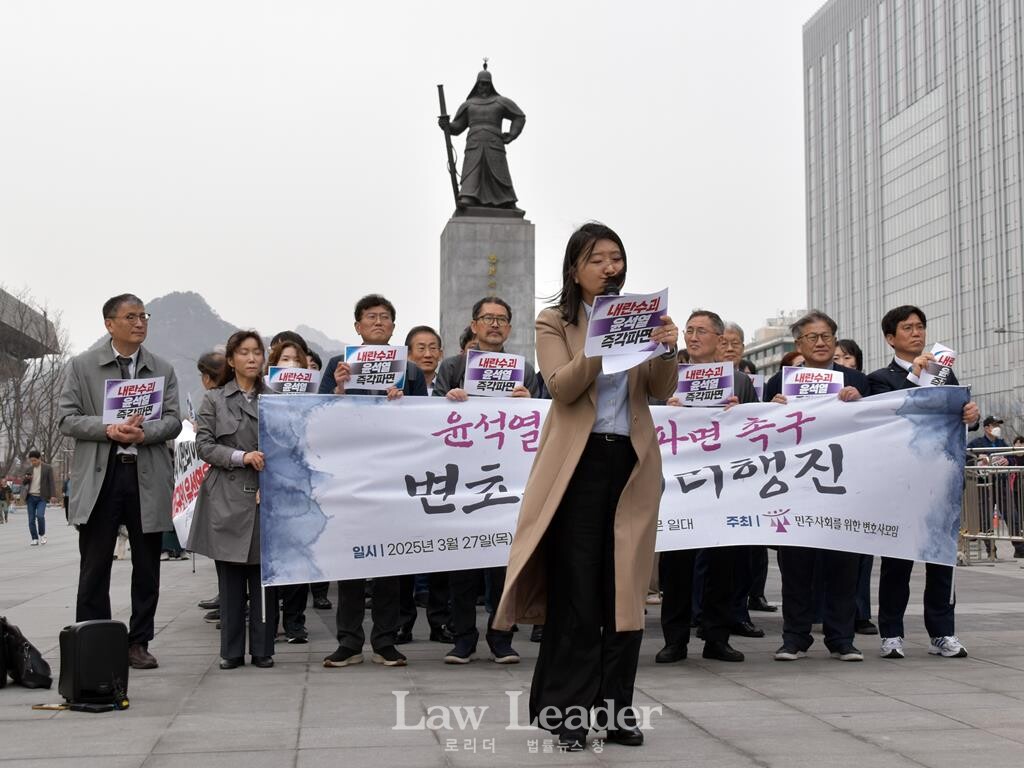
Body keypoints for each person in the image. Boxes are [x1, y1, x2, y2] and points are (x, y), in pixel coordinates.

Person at [494, 222, 678, 750]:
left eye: (616, 258)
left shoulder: (644, 318)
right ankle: (566, 712)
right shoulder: (555, 321)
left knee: (625, 593)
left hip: (632, 466)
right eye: (597, 258)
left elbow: (660, 390)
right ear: (575, 268)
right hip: (576, 469)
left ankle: (616, 709)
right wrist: (604, 340)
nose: (609, 267)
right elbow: (562, 387)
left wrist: (665, 349)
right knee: (577, 593)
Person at [58, 293, 182, 670]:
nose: (139, 323)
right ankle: (95, 637)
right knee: (95, 564)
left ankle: (138, 642)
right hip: (102, 474)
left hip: (144, 472)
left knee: (148, 565)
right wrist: (107, 428)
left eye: (143, 316)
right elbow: (66, 419)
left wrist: (145, 434)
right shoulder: (83, 366)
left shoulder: (162, 368)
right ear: (109, 324)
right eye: (130, 317)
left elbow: (174, 420)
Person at [319, 294, 427, 670]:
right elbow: (318, 417)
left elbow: (423, 423)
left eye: (385, 317)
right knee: (348, 562)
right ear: (357, 327)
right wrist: (338, 390)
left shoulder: (410, 371)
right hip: (349, 477)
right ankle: (348, 642)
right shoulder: (338, 365)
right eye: (371, 317)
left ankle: (386, 640)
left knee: (389, 562)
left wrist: (403, 404)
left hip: (392, 477)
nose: (378, 322)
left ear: (394, 328)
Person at [867, 304, 979, 659]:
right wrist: (914, 378)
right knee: (898, 561)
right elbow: (890, 415)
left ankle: (942, 632)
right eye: (907, 328)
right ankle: (892, 632)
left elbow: (957, 415)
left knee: (941, 561)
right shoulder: (880, 378)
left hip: (940, 479)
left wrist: (970, 415)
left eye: (920, 326)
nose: (917, 333)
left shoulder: (946, 373)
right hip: (901, 482)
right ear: (890, 338)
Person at [433, 296, 540, 665]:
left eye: (502, 320)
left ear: (509, 328)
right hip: (461, 479)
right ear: (474, 324)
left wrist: (529, 401)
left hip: (506, 480)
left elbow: (542, 420)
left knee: (502, 564)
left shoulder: (523, 370)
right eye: (487, 318)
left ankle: (501, 637)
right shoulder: (451, 367)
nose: (495, 325)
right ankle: (463, 638)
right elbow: (428, 417)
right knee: (462, 563)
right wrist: (447, 399)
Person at [656, 310, 759, 667]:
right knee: (676, 564)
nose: (693, 336)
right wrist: (668, 409)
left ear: (720, 338)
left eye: (701, 331)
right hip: (680, 485)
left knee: (722, 564)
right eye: (689, 330)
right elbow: (650, 418)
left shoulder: (739, 381)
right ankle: (674, 639)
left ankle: (717, 637)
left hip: (724, 482)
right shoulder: (668, 377)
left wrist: (738, 411)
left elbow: (754, 428)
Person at [764, 310, 868, 663]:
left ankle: (842, 638)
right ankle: (795, 637)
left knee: (842, 565)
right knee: (796, 565)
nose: (821, 343)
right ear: (799, 344)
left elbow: (876, 426)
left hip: (841, 485)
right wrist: (772, 408)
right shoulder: (778, 383)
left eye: (827, 336)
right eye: (813, 337)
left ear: (835, 341)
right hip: (796, 485)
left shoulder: (856, 380)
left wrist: (860, 402)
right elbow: (763, 433)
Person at [188, 331, 277, 670]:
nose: (252, 358)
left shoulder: (275, 398)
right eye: (244, 352)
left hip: (266, 493)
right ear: (231, 360)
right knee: (230, 579)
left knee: (264, 578)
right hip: (226, 493)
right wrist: (241, 457)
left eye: (257, 352)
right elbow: (204, 446)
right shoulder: (214, 400)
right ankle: (231, 651)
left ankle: (264, 649)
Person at [440, 65, 526, 209]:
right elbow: (457, 127)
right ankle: (468, 197)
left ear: (491, 84)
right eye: (481, 84)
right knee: (472, 170)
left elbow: (519, 116)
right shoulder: (468, 105)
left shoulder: (501, 101)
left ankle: (507, 201)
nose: (483, 87)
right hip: (474, 142)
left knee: (499, 172)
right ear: (476, 85)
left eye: (486, 84)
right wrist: (446, 125)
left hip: (495, 142)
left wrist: (512, 135)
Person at [21, 449, 57, 546]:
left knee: (40, 516)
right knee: (31, 519)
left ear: (39, 459)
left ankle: (42, 534)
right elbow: (23, 483)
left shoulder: (48, 468)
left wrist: (53, 495)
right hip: (31, 497)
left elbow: (51, 482)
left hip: (42, 497)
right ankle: (34, 538)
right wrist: (26, 479)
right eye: (31, 461)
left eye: (35, 460)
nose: (33, 462)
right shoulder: (29, 469)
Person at [406, 326, 443, 395]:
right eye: (421, 348)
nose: (428, 355)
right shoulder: (399, 388)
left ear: (440, 354)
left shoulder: (448, 386)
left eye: (433, 348)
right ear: (408, 354)